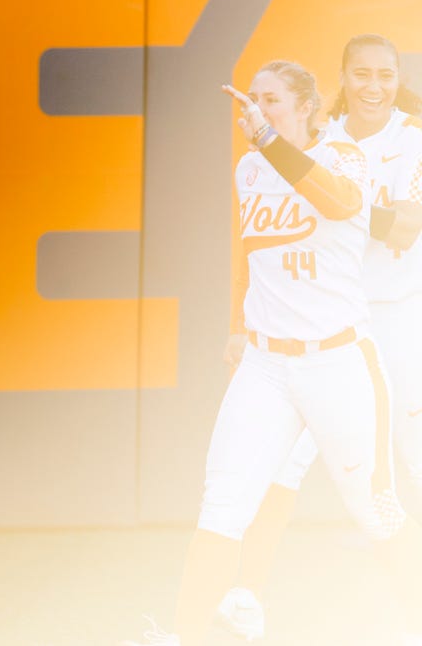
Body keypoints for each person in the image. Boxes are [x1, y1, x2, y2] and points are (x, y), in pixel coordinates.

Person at [122, 59, 418, 646]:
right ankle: (185, 637)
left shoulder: (343, 156)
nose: (254, 109)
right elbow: (249, 256)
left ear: (308, 106)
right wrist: (237, 324)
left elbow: (336, 203)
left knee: (376, 512)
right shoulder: (250, 167)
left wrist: (267, 138)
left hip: (338, 360)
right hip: (266, 365)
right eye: (251, 99)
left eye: (272, 99)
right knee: (222, 506)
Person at [216, 34, 422, 642]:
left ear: (396, 79)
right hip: (322, 323)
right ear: (342, 76)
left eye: (385, 75)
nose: (373, 87)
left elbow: (407, 229)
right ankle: (247, 595)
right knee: (283, 461)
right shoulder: (319, 135)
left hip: (394, 315)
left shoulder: (412, 136)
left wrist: (340, 206)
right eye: (361, 74)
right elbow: (264, 234)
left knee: (409, 452)